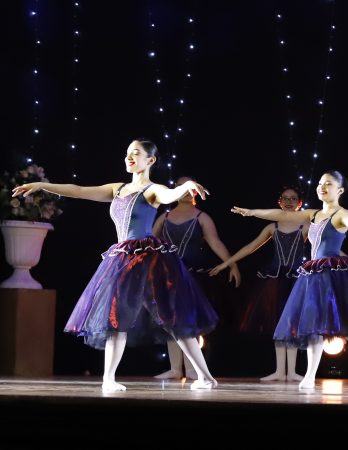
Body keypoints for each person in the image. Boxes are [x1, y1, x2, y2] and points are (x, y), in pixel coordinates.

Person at [12, 139, 218, 392]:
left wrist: (185, 186)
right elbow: (78, 189)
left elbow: (169, 195)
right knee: (115, 315)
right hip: (121, 257)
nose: (129, 158)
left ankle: (205, 376)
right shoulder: (117, 189)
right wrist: (43, 185)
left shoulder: (153, 190)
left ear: (150, 160)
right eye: (127, 154)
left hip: (148, 257)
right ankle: (108, 378)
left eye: (136, 154)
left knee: (171, 317)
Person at [231, 171, 348, 391]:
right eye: (320, 183)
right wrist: (251, 212)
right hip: (313, 275)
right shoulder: (313, 215)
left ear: (340, 190)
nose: (322, 187)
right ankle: (309, 376)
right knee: (313, 326)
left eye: (329, 184)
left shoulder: (341, 214)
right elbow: (283, 216)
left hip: (333, 276)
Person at [210, 186, 308, 382]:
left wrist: (344, 259)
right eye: (285, 198)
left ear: (299, 203)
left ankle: (293, 371)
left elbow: (324, 243)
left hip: (296, 278)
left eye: (293, 198)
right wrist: (226, 264)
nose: (289, 201)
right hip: (274, 279)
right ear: (279, 202)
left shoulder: (305, 226)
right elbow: (251, 247)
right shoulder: (272, 227)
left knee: (294, 322)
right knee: (278, 321)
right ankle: (280, 370)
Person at [152, 176, 241, 381]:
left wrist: (232, 264)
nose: (185, 191)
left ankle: (193, 369)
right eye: (180, 187)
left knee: (188, 321)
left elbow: (215, 242)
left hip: (193, 276)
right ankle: (175, 368)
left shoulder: (201, 217)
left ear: (196, 191)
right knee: (170, 320)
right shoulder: (164, 217)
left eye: (189, 187)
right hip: (168, 276)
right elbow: (149, 241)